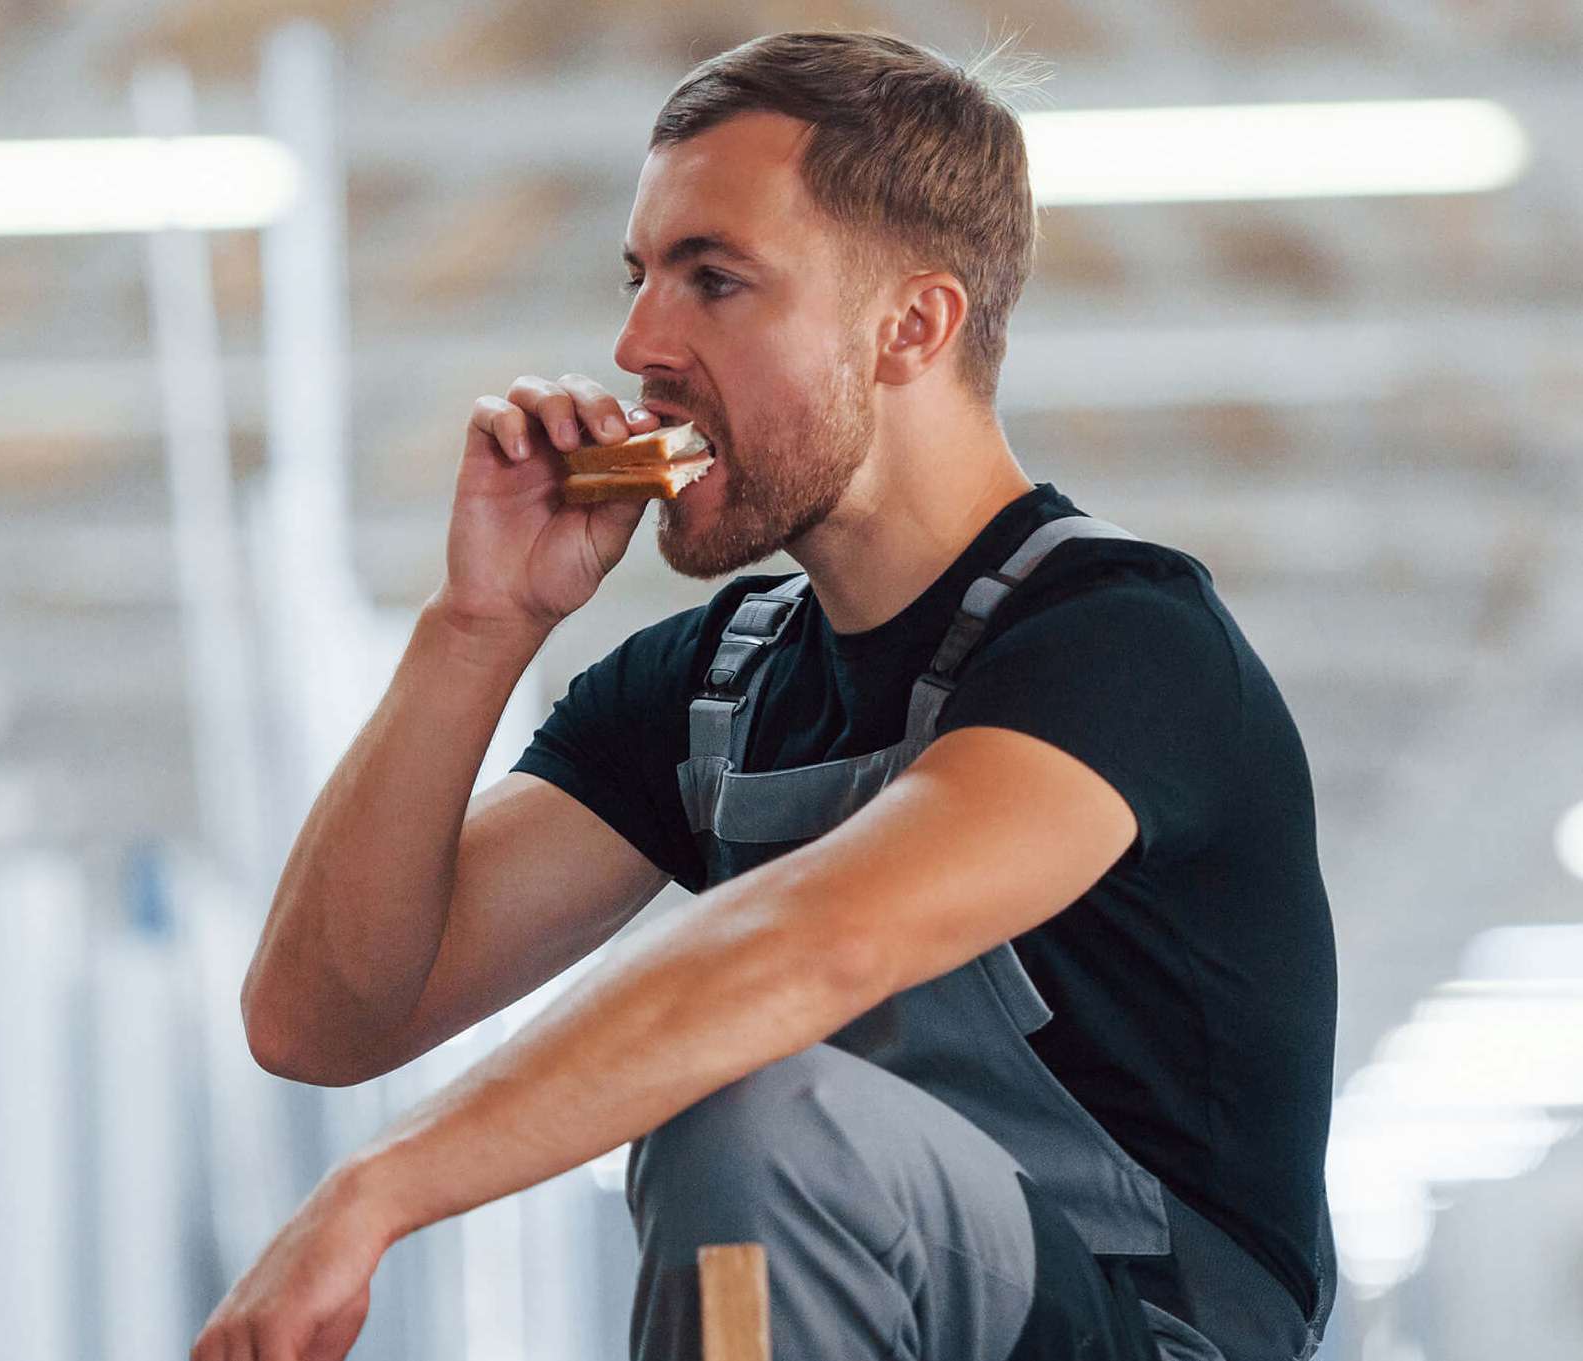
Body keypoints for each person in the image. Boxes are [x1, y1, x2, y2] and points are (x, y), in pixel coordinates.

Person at [193, 28, 1337, 1361]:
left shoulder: (1121, 645)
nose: (637, 345)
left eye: (712, 281)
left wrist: (375, 1189)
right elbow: (323, 1016)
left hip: (1154, 1335)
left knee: (756, 1110)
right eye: (638, 279)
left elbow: (812, 943)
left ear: (910, 326)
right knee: (756, 1109)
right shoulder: (714, 687)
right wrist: (479, 624)